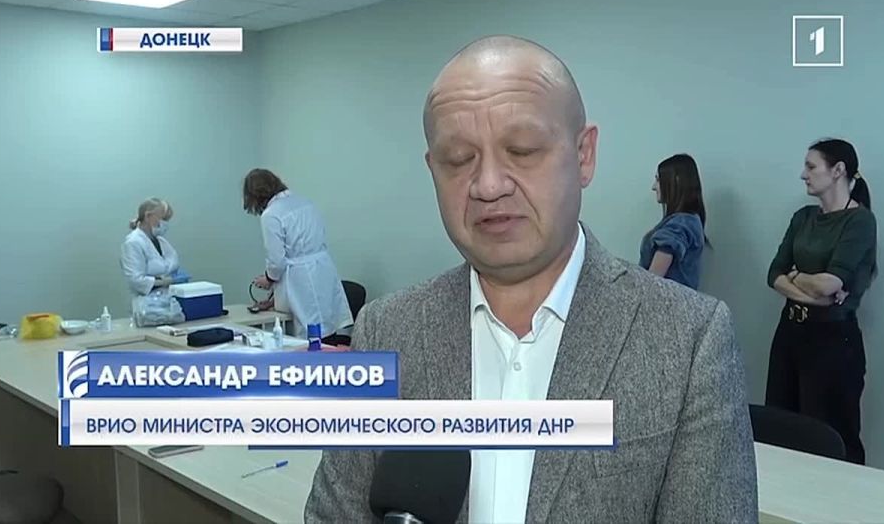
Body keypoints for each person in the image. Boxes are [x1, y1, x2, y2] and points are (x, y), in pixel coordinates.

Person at [305, 36, 756, 523]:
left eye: (522, 151)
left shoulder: (688, 339)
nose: (489, 185)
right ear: (433, 169)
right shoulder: (387, 329)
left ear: (584, 155)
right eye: (458, 159)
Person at [765, 138, 876, 465]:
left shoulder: (860, 221)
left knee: (829, 435)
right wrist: (812, 291)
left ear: (838, 170)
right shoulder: (803, 217)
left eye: (811, 166)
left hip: (832, 341)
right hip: (790, 333)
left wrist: (795, 276)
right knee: (780, 426)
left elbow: (832, 283)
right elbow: (774, 273)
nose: (804, 174)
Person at [242, 168, 352, 339]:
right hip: (323, 270)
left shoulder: (271, 215)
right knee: (327, 329)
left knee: (311, 335)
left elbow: (277, 261)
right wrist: (274, 299)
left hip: (301, 280)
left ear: (253, 196)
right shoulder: (304, 202)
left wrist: (268, 279)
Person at [638, 153, 708, 289]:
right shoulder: (689, 221)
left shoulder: (680, 225)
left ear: (675, 181)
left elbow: (652, 282)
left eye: (658, 180)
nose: (653, 187)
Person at [120, 198, 179, 296]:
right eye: (163, 219)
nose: (165, 224)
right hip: (146, 302)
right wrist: (162, 281)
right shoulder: (133, 243)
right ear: (148, 216)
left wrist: (176, 277)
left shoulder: (161, 241)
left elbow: (171, 266)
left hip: (167, 299)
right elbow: (135, 280)